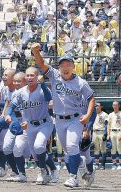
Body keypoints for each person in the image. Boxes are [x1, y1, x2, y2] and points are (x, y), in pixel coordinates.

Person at [31, 43, 95, 188]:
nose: (65, 68)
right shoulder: (54, 75)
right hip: (59, 119)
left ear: (73, 66)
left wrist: (87, 116)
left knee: (72, 146)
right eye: (62, 65)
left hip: (75, 118)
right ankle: (82, 167)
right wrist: (35, 52)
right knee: (68, 153)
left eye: (68, 64)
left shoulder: (81, 83)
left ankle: (73, 178)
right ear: (59, 68)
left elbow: (91, 99)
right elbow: (41, 64)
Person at [5, 67, 58, 184]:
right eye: (27, 75)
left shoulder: (42, 89)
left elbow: (49, 98)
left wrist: (43, 84)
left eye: (32, 75)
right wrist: (7, 115)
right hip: (29, 126)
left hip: (44, 123)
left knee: (39, 147)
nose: (29, 77)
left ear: (37, 76)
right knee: (35, 154)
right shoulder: (20, 92)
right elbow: (11, 106)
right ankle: (49, 171)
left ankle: (43, 171)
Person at [2, 72, 31, 182]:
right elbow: (10, 105)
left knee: (32, 152)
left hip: (28, 124)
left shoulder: (30, 92)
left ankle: (50, 170)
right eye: (15, 81)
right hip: (15, 123)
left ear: (25, 81)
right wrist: (7, 114)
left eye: (19, 81)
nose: (16, 83)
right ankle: (16, 172)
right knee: (7, 148)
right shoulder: (14, 93)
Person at [92, 103, 108, 170]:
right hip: (94, 132)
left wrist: (105, 134)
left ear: (101, 106)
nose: (96, 107)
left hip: (101, 132)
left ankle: (103, 165)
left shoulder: (104, 114)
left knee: (103, 149)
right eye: (95, 106)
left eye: (98, 106)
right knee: (96, 149)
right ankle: (97, 164)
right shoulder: (93, 113)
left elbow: (107, 124)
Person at [107, 101, 121, 170]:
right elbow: (108, 125)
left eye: (116, 105)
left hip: (119, 132)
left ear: (118, 106)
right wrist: (108, 135)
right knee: (113, 149)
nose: (114, 106)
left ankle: (119, 164)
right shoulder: (110, 114)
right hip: (112, 132)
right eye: (113, 105)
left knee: (119, 149)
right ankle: (114, 164)